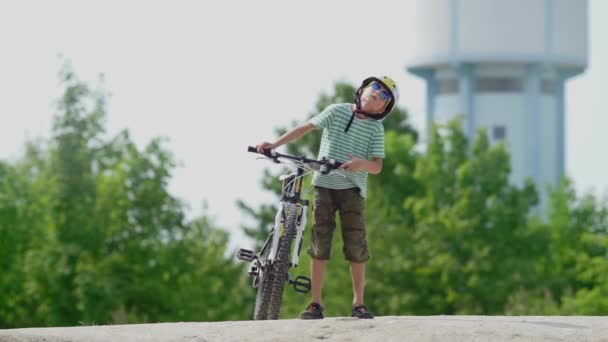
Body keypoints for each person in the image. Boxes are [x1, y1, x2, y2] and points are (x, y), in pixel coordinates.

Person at [256, 75, 399, 319]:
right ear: (362, 89)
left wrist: (361, 163)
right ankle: (316, 303)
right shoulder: (337, 111)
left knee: (356, 245)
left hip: (352, 190)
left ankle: (358, 303)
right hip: (323, 185)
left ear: (383, 109)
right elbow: (306, 127)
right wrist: (275, 144)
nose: (377, 93)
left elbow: (377, 166)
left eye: (384, 95)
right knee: (319, 243)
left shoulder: (376, 128)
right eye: (375, 87)